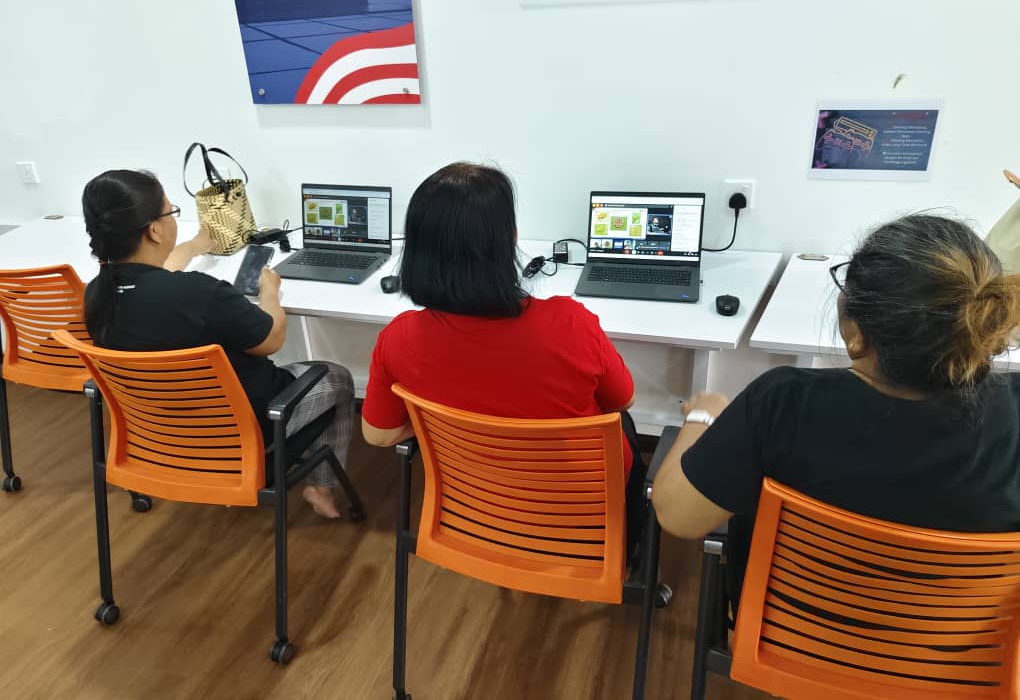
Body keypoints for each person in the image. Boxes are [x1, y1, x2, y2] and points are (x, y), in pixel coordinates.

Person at [652, 214, 1020, 601]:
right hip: (959, 638)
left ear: (857, 335)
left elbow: (678, 516)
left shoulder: (783, 403)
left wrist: (700, 417)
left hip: (786, 627)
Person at [360, 162, 648, 556]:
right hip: (583, 511)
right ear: (508, 240)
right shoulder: (569, 323)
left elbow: (377, 435)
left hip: (477, 508)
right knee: (622, 424)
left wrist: (447, 426)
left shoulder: (398, 338)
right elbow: (624, 399)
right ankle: (631, 553)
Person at [81, 169, 354, 519]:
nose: (173, 219)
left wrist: (196, 245)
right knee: (337, 376)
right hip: (243, 436)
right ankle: (321, 487)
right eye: (171, 212)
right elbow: (271, 339)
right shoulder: (200, 293)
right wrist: (270, 293)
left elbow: (159, 274)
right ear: (154, 230)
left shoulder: (97, 295)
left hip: (159, 440)